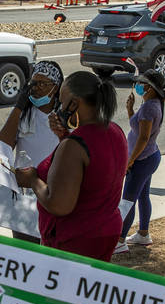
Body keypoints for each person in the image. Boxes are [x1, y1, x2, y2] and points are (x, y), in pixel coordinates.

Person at [13, 70, 127, 261]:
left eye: (62, 101)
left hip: (74, 240)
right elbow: (93, 171)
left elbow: (59, 204)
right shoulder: (114, 130)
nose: (59, 107)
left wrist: (32, 179)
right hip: (105, 232)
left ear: (74, 103)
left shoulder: (75, 144)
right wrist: (64, 136)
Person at [0, 60, 64, 243]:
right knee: (24, 246)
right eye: (33, 83)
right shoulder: (24, 114)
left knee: (50, 246)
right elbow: (1, 147)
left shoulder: (63, 116)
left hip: (52, 192)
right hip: (24, 194)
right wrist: (19, 107)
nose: (36, 88)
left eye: (42, 84)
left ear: (55, 88)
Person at [116, 69, 165, 254]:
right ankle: (143, 233)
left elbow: (143, 138)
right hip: (150, 156)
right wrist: (130, 111)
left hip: (142, 160)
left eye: (141, 84)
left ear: (150, 88)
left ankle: (120, 239)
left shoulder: (148, 108)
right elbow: (138, 129)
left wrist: (130, 160)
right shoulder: (152, 104)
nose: (138, 86)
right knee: (143, 196)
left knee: (127, 200)